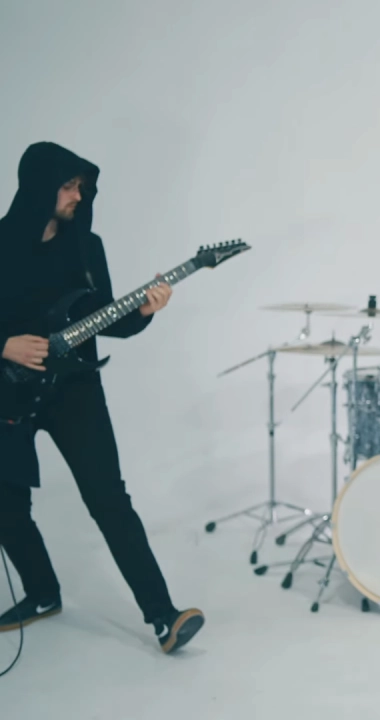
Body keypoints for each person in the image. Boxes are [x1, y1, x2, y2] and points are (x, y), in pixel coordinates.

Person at [0, 142, 205, 654]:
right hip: (7, 391)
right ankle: (42, 594)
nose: (78, 195)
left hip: (74, 390)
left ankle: (164, 616)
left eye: (82, 187)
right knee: (6, 504)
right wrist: (3, 344)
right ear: (39, 187)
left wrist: (145, 311)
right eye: (68, 186)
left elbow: (107, 322)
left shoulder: (87, 247)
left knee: (109, 499)